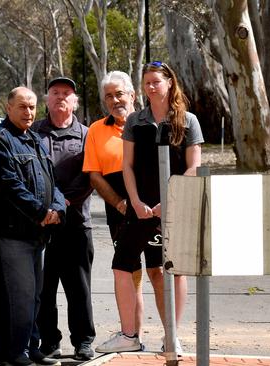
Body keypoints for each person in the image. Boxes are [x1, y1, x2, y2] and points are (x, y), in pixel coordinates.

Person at [97, 62, 203, 355]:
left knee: (174, 271)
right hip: (139, 209)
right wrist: (135, 201)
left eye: (156, 82)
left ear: (170, 83)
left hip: (174, 209)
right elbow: (126, 167)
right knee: (121, 268)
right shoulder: (135, 121)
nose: (151, 87)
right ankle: (129, 335)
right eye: (147, 83)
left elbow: (195, 166)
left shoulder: (188, 121)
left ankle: (172, 337)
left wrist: (167, 202)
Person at [0, 86, 66, 366]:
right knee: (18, 297)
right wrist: (41, 211)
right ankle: (13, 353)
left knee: (34, 296)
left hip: (39, 234)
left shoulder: (34, 139)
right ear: (8, 108)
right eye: (22, 106)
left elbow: (50, 179)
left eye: (32, 107)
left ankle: (31, 347)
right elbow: (9, 185)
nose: (28, 112)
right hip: (12, 234)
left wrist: (57, 207)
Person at [84, 71, 152, 353]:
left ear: (132, 95)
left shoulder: (150, 123)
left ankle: (172, 336)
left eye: (119, 94)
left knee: (160, 272)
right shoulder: (97, 129)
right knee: (128, 273)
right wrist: (120, 203)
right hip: (120, 212)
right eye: (109, 96)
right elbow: (94, 175)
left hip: (153, 208)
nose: (115, 100)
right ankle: (131, 335)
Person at [31, 77, 96, 361]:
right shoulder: (33, 132)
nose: (60, 97)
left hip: (76, 225)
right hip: (42, 224)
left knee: (78, 288)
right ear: (47, 99)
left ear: (75, 101)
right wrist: (46, 208)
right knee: (44, 289)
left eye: (66, 93)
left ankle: (83, 340)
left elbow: (90, 176)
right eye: (55, 93)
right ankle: (49, 341)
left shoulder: (86, 134)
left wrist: (64, 204)